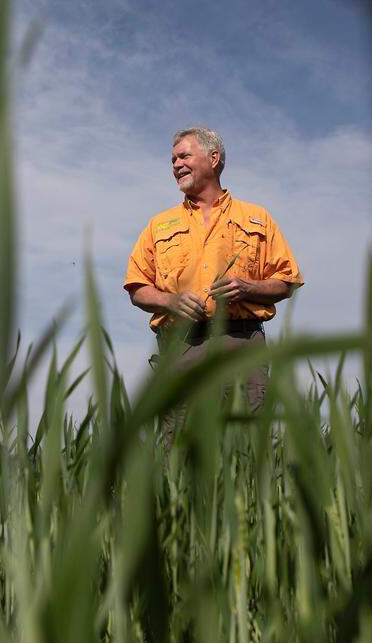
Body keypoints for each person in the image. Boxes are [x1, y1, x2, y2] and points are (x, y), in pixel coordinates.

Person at [123, 126, 304, 447]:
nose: (175, 164)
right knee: (176, 453)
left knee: (248, 448)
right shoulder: (159, 224)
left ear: (214, 158)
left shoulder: (257, 217)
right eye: (173, 159)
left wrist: (248, 287)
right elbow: (137, 287)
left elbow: (286, 282)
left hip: (242, 343)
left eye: (184, 156)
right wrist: (170, 301)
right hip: (181, 347)